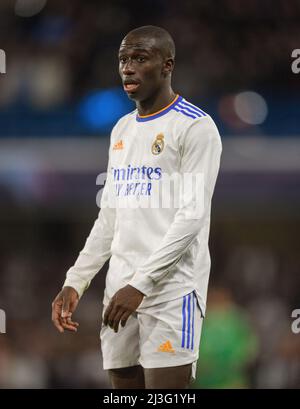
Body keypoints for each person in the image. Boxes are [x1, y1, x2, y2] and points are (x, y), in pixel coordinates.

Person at [51, 25, 222, 389]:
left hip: (171, 293)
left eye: (140, 59)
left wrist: (141, 285)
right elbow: (109, 216)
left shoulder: (195, 127)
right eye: (123, 59)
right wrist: (75, 281)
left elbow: (192, 216)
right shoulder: (121, 130)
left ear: (167, 65)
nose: (128, 68)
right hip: (119, 294)